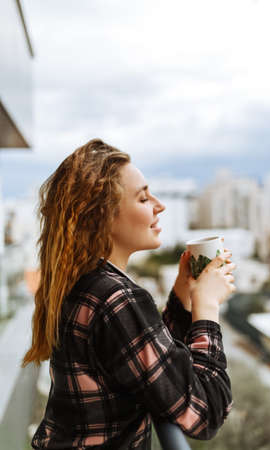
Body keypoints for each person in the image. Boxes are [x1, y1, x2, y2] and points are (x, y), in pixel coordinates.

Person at [22, 138, 236, 450]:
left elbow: (146, 362)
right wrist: (207, 307)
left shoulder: (83, 284)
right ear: (102, 217)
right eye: (143, 198)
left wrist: (181, 297)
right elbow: (206, 412)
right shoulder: (116, 297)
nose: (159, 205)